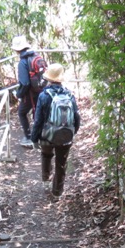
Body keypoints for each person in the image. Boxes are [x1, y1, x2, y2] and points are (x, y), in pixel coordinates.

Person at [29, 63, 81, 198]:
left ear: (49, 78)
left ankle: (46, 181)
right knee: (61, 163)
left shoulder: (44, 95)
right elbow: (76, 117)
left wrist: (34, 139)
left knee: (46, 156)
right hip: (65, 136)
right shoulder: (70, 95)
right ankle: (57, 192)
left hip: (47, 135)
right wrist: (71, 132)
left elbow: (38, 120)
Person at [11, 35, 43, 148]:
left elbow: (25, 84)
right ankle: (41, 135)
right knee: (39, 112)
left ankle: (29, 137)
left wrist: (18, 94)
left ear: (16, 50)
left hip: (31, 93)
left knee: (22, 112)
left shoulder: (23, 62)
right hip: (41, 90)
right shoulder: (36, 56)